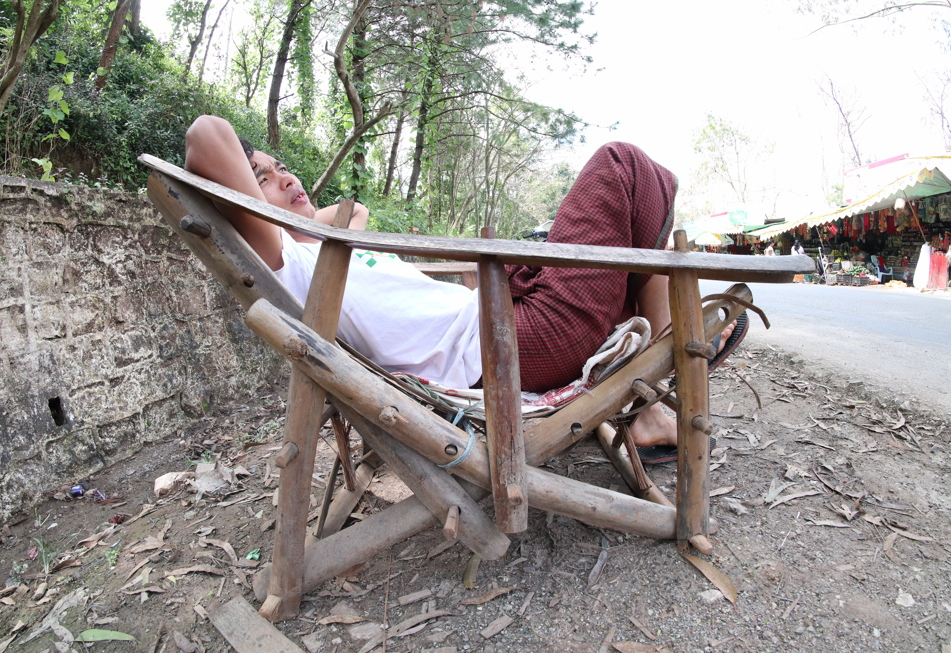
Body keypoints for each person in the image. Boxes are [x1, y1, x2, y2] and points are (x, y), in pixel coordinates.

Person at [184, 115, 735, 453]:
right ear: (245, 205)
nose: (288, 178)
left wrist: (287, 210)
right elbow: (206, 135)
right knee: (620, 166)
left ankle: (655, 409)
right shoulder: (288, 263)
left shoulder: (322, 252)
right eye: (263, 177)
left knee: (635, 224)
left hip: (510, 322)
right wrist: (271, 220)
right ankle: (676, 376)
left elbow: (356, 213)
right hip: (509, 346)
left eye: (284, 168)